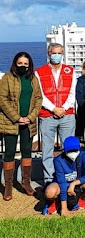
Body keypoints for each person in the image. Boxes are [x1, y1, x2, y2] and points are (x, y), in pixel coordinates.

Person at [0, 52, 43, 200]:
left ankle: (26, 183)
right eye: (20, 63)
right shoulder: (7, 78)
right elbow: (2, 99)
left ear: (29, 65)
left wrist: (30, 117)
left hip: (28, 123)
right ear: (15, 63)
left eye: (26, 64)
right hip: (10, 122)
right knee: (10, 153)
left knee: (26, 152)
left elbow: (38, 98)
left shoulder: (33, 79)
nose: (23, 66)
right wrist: (17, 117)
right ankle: (8, 186)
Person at [36, 43, 77, 185]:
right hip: (47, 115)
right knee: (47, 149)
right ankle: (49, 179)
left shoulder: (70, 71)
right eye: (54, 53)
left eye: (60, 53)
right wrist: (53, 108)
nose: (57, 56)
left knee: (69, 148)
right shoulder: (39, 72)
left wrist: (63, 108)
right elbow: (39, 94)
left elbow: (72, 93)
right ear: (49, 53)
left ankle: (68, 177)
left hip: (68, 114)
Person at [42, 136, 85, 216]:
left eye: (75, 150)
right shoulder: (58, 160)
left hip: (78, 184)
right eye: (70, 151)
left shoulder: (83, 155)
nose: (73, 153)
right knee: (50, 193)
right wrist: (64, 208)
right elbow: (61, 183)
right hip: (62, 185)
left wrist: (74, 183)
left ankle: (80, 198)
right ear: (64, 151)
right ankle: (56, 201)